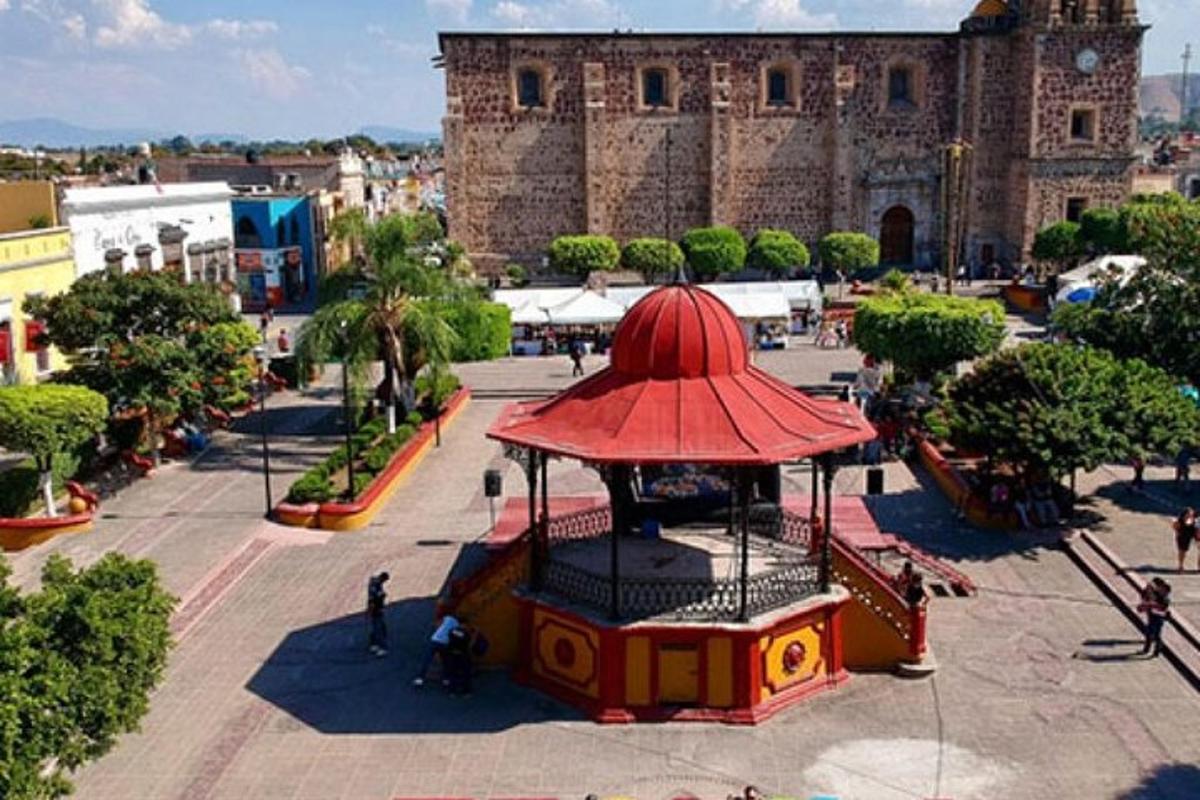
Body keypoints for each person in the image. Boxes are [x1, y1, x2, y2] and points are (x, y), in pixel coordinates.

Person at [413, 613, 459, 686]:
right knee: (446, 661)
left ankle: (420, 678)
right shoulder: (457, 625)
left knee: (426, 660)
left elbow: (437, 624)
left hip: (434, 640)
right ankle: (446, 679)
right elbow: (454, 636)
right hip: (444, 643)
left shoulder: (447, 618)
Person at [1137, 578, 1171, 657]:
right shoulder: (1157, 594)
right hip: (1152, 617)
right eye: (1160, 588)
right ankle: (1146, 649)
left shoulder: (1166, 600)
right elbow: (1148, 591)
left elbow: (1161, 608)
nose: (1160, 590)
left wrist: (1150, 604)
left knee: (1156, 635)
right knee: (1148, 633)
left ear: (1166, 592)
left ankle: (1157, 650)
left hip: (1159, 619)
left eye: (1162, 590)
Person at [443, 619, 473, 695]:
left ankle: (452, 691)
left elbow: (449, 640)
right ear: (464, 624)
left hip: (452, 654)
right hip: (462, 655)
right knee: (465, 673)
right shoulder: (465, 633)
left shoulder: (451, 631)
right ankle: (465, 691)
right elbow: (467, 643)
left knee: (452, 673)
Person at [365, 572, 389, 657]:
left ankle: (373, 644)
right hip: (377, 610)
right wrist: (382, 595)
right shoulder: (376, 586)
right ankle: (381, 647)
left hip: (375, 609)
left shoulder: (374, 584)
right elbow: (374, 599)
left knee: (375, 627)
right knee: (379, 628)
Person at [1173, 507, 1197, 573]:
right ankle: (1180, 566)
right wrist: (1177, 534)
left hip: (1189, 537)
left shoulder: (1193, 521)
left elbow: (1195, 530)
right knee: (1182, 552)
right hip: (1182, 537)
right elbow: (1175, 527)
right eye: (1189, 514)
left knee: (1184, 551)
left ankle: (1181, 566)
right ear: (1185, 514)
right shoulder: (1180, 521)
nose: (1191, 515)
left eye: (1192, 514)